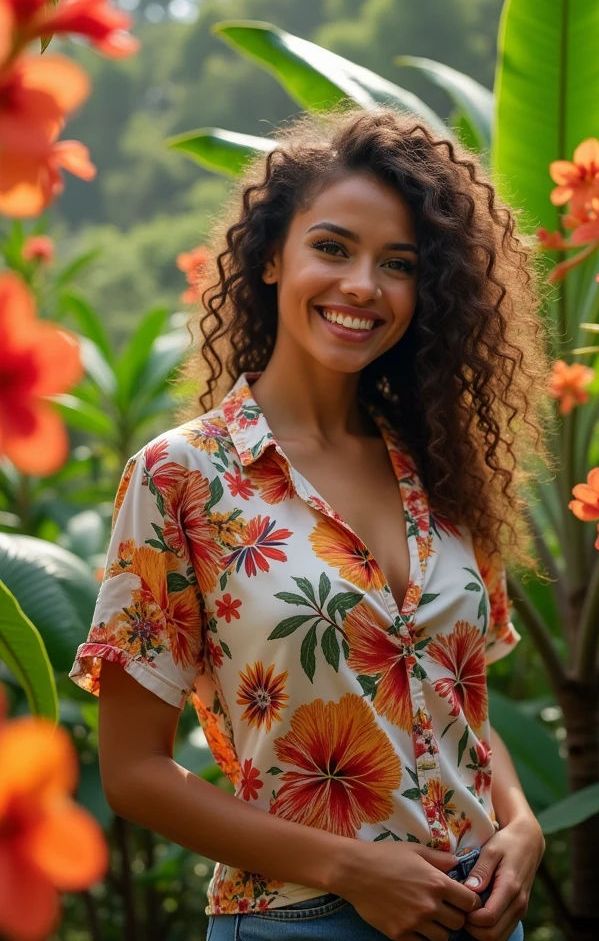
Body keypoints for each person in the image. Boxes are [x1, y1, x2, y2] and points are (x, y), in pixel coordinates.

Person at [69, 104, 553, 941]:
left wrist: (521, 826)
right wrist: (347, 869)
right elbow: (134, 773)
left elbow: (456, 709)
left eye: (397, 264)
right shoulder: (184, 476)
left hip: (478, 915)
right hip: (301, 918)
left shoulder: (441, 473)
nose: (362, 285)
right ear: (269, 260)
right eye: (332, 247)